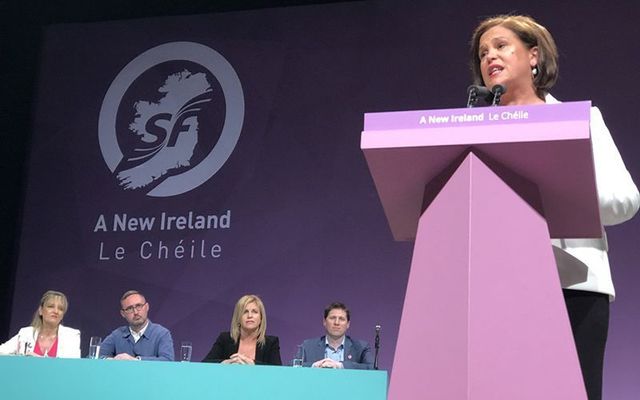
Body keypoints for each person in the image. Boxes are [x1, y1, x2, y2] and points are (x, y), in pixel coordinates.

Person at [469, 15, 639, 400]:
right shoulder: (473, 129)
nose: (489, 57)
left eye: (500, 46)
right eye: (482, 53)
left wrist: (558, 192)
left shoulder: (580, 120)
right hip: (499, 290)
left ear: (533, 56)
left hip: (574, 285)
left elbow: (626, 200)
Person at [202, 294, 282, 365]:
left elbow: (278, 372)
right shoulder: (225, 339)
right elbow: (205, 364)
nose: (250, 315)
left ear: (261, 318)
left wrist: (253, 364)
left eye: (254, 312)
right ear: (238, 318)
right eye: (245, 312)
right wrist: (225, 363)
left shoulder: (271, 343)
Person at [0, 290, 80, 358]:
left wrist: (38, 359)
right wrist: (19, 358)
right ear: (41, 310)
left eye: (60, 309)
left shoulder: (71, 336)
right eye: (51, 306)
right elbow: (2, 352)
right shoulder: (25, 333)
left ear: (62, 315)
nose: (56, 311)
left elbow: (72, 366)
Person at [99, 290, 174, 361]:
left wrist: (136, 360)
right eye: (129, 308)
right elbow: (94, 356)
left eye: (139, 306)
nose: (135, 312)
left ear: (147, 307)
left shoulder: (162, 333)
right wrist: (113, 360)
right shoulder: (117, 335)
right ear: (123, 314)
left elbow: (167, 360)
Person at [301, 302, 373, 369]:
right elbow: (293, 366)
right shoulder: (307, 346)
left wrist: (341, 365)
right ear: (324, 322)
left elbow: (372, 368)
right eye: (332, 318)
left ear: (348, 324)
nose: (336, 323)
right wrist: (314, 365)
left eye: (341, 319)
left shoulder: (361, 347)